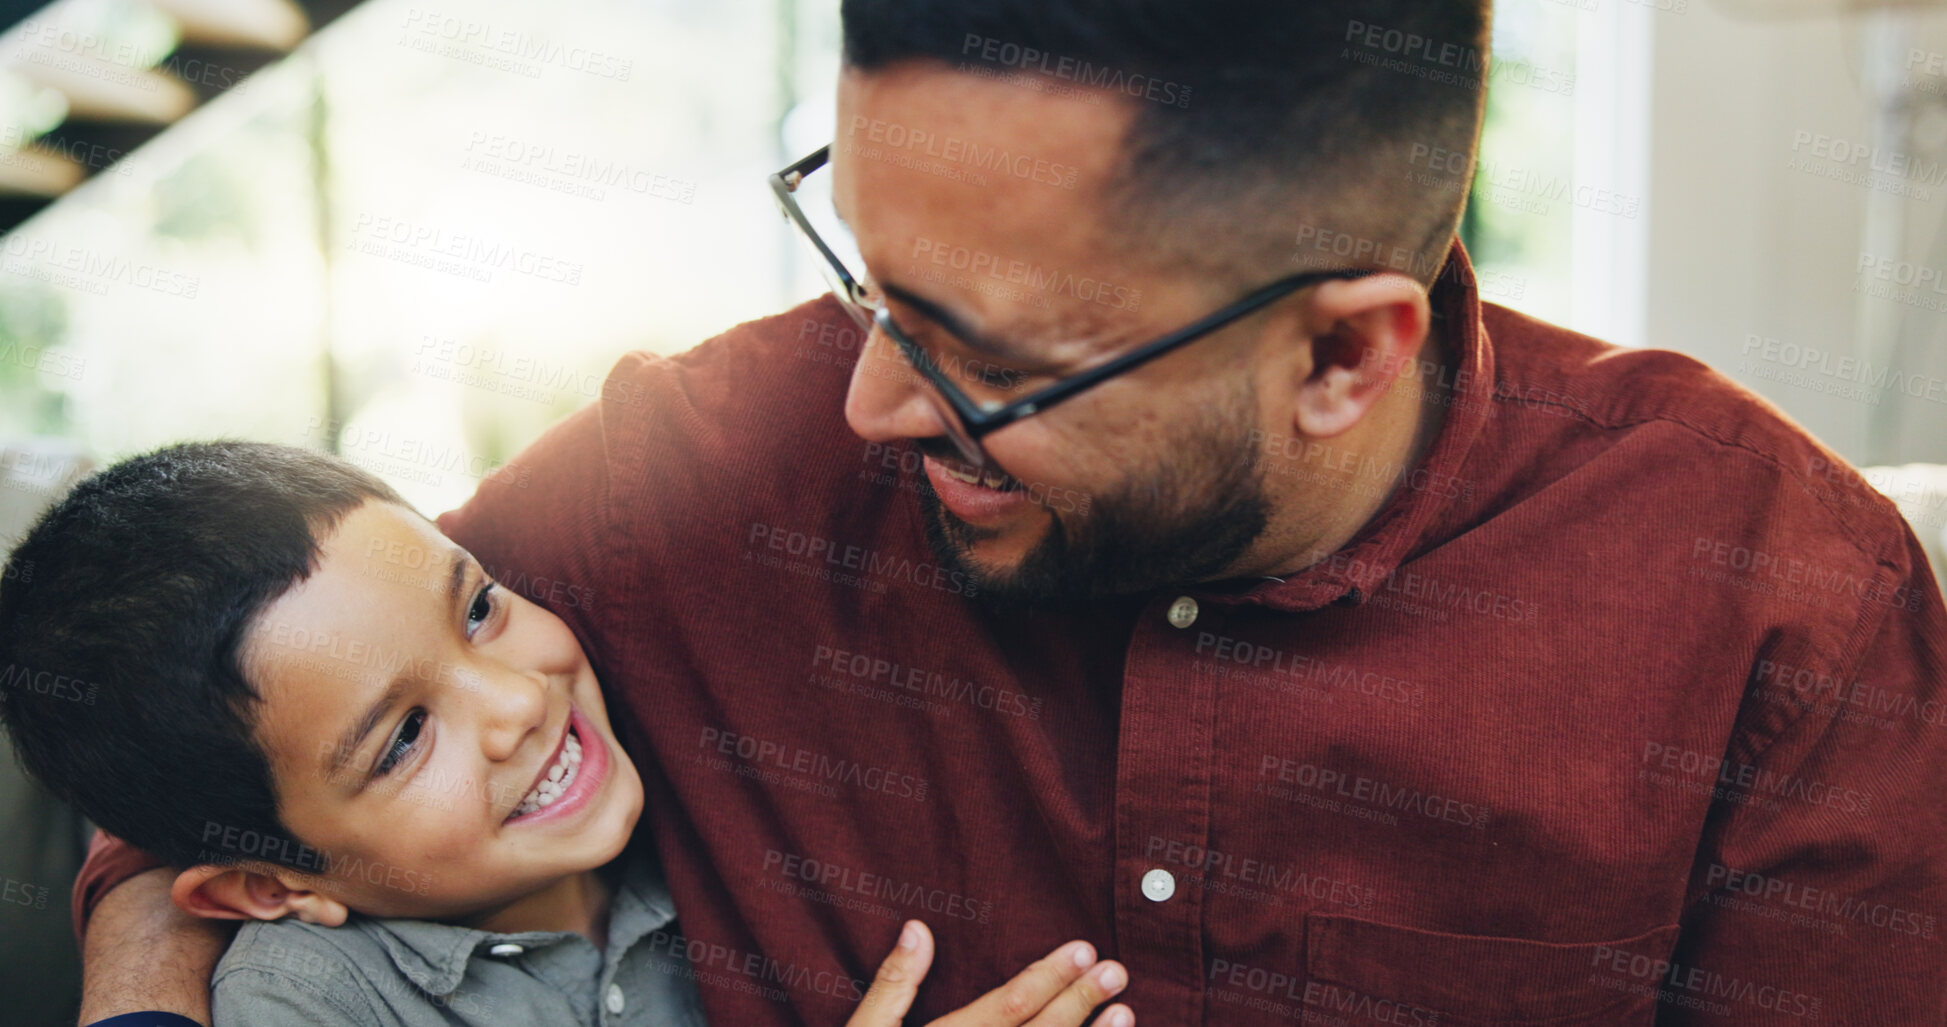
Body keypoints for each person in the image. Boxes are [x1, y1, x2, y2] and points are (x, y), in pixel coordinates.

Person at [73, 0, 1947, 1024]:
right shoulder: (715, 466)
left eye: (981, 353)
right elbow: (207, 753)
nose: (871, 397)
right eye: (862, 279)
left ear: (1340, 357)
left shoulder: (1769, 602)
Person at [0, 442, 1134, 1027]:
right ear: (266, 885)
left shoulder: (688, 792)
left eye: (480, 605)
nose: (516, 703)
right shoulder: (308, 1002)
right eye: (401, 740)